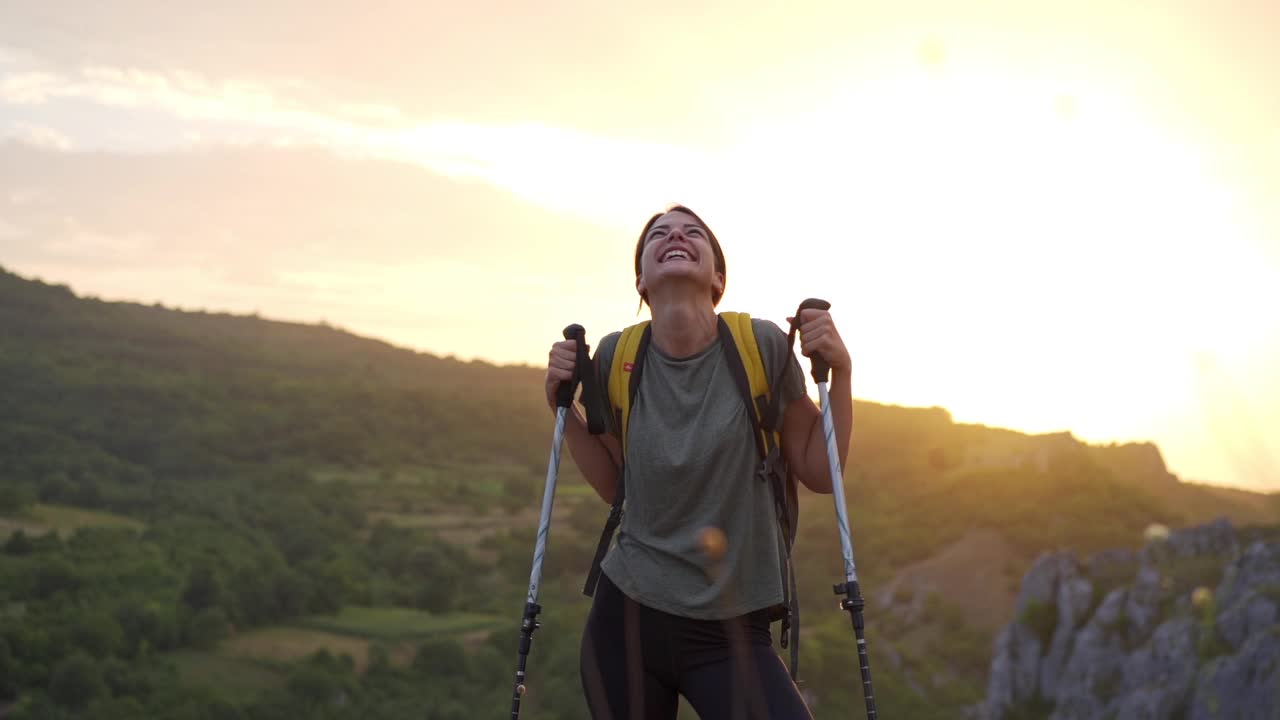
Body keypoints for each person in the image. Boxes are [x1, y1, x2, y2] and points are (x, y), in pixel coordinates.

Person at [544, 204, 853, 719]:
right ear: (641, 279)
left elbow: (820, 472)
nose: (674, 237)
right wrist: (561, 408)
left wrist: (841, 375)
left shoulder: (759, 347)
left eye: (692, 233)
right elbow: (623, 486)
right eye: (658, 235)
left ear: (718, 277)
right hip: (626, 621)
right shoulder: (618, 357)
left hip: (731, 628)